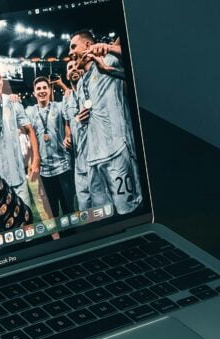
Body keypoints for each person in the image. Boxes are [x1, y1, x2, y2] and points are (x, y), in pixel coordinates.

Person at [69, 29, 142, 215]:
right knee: (102, 214)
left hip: (116, 152)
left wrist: (109, 48)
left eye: (73, 47)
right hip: (93, 159)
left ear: (87, 45)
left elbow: (135, 59)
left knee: (126, 210)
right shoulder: (80, 83)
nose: (70, 52)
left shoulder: (108, 60)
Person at [0, 66, 40, 207]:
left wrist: (36, 158)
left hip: (19, 179)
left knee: (27, 223)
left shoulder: (12, 103)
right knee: (5, 226)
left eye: (0, 78)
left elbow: (30, 130)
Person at [25, 76, 75, 218]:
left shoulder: (58, 107)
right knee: (52, 212)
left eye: (44, 88)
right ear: (34, 92)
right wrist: (12, 98)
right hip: (45, 172)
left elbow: (71, 98)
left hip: (63, 168)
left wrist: (62, 85)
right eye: (38, 88)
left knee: (69, 209)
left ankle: (72, 237)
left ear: (49, 90)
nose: (41, 91)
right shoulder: (29, 111)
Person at [60, 60, 91, 210]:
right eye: (69, 67)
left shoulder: (91, 88)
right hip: (79, 162)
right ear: (67, 74)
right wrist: (67, 137)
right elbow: (67, 124)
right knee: (84, 208)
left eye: (75, 65)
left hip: (96, 159)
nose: (73, 69)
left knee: (103, 207)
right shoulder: (66, 99)